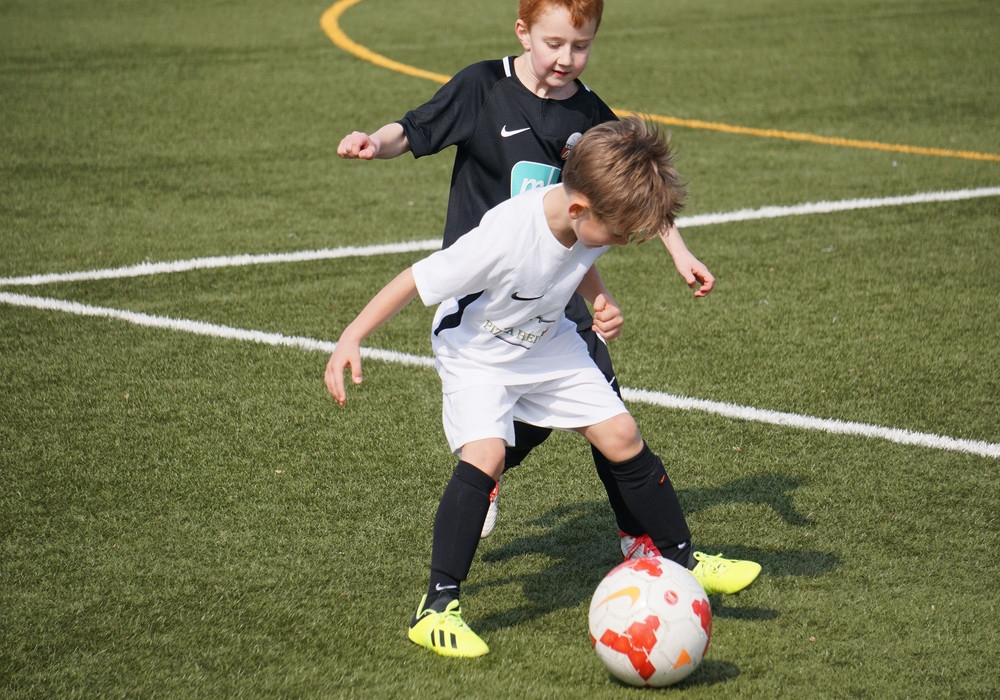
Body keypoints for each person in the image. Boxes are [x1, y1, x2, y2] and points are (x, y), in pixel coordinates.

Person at [326, 118, 761, 658]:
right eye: (619, 234)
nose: (621, 243)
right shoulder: (506, 235)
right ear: (578, 209)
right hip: (478, 352)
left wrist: (599, 297)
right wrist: (351, 338)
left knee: (621, 435)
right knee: (486, 455)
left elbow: (578, 257)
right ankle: (436, 607)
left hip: (547, 343)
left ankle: (681, 559)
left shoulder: (585, 215)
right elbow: (414, 280)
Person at [336, 0, 728, 555]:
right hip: (483, 291)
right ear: (523, 33)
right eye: (554, 43)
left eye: (581, 46)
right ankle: (486, 471)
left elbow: (635, 185)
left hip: (557, 287)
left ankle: (644, 542)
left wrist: (678, 251)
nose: (567, 58)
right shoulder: (484, 87)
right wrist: (377, 143)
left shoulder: (589, 112)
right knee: (523, 430)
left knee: (609, 414)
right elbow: (414, 128)